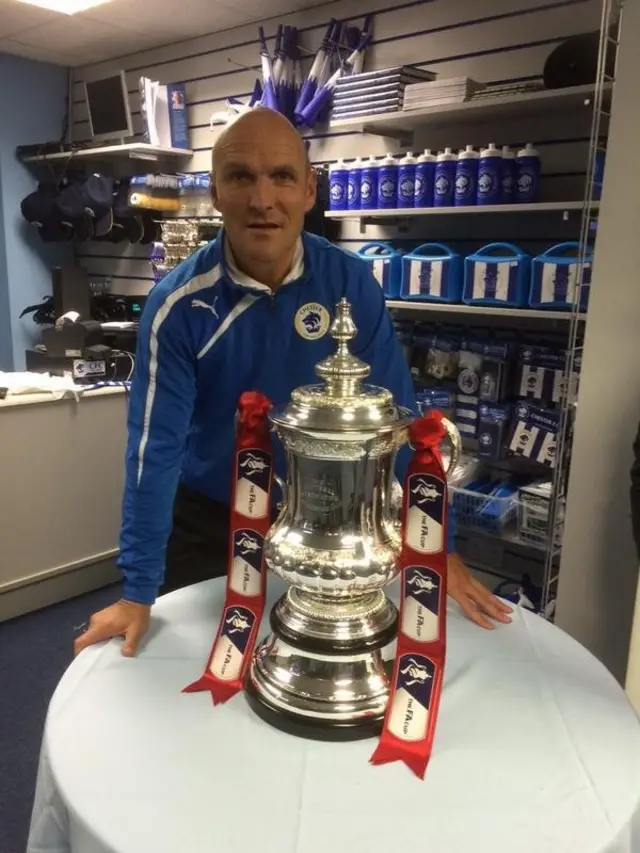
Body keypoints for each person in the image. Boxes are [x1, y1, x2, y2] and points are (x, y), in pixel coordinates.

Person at [74, 109, 511, 658]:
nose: (262, 199)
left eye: (282, 176)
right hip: (211, 523)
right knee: (194, 676)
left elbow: (399, 422)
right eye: (240, 177)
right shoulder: (177, 307)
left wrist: (434, 545)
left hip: (330, 522)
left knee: (323, 670)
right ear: (215, 192)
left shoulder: (349, 282)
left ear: (309, 190)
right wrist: (138, 590)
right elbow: (153, 450)